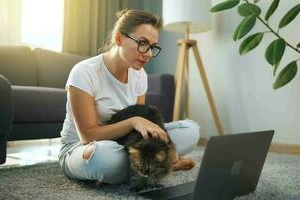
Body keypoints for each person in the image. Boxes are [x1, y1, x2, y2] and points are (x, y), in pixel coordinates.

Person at [58, 9, 200, 185]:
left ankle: (142, 169)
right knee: (101, 157)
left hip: (124, 144)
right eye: (142, 43)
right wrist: (134, 121)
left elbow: (140, 130)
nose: (148, 53)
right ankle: (158, 168)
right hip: (84, 147)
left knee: (191, 130)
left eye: (153, 46)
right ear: (119, 39)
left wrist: (164, 142)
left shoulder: (140, 75)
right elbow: (88, 136)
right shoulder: (84, 72)